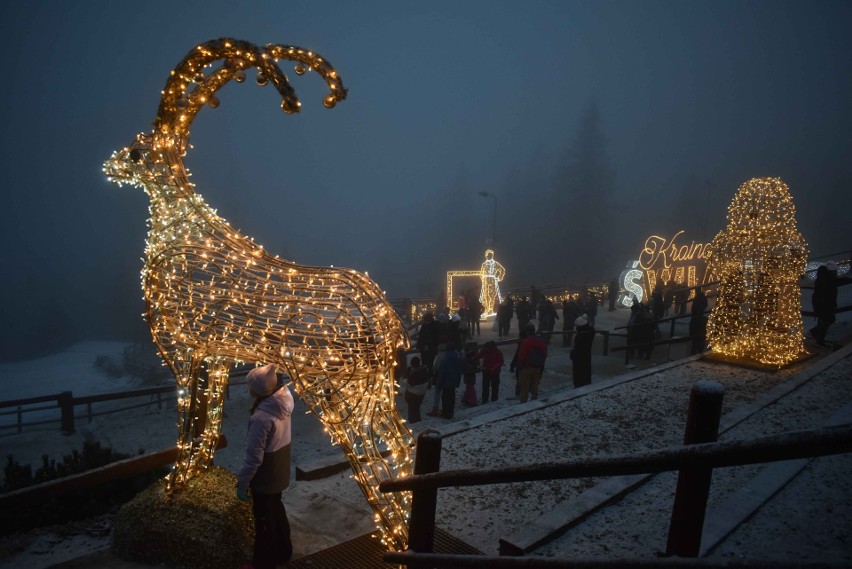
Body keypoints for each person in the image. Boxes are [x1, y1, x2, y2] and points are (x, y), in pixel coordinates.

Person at [236, 364, 294, 569]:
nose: (248, 390)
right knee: (276, 508)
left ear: (258, 390)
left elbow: (254, 458)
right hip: (280, 468)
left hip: (266, 475)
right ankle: (284, 550)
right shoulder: (282, 401)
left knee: (263, 521)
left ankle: (263, 562)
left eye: (250, 386)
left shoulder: (262, 418)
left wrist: (242, 484)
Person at [810, 263, 850, 346]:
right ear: (831, 271)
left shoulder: (826, 278)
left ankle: (817, 335)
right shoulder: (826, 279)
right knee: (828, 320)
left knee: (825, 320)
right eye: (835, 271)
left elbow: (835, 283)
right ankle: (817, 337)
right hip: (823, 304)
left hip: (823, 303)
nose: (836, 273)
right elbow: (832, 285)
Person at [516, 323, 547, 403]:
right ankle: (534, 401)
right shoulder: (541, 340)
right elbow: (544, 354)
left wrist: (519, 366)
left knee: (525, 386)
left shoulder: (526, 342)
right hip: (537, 366)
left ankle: (523, 402)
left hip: (527, 367)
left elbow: (522, 355)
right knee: (535, 385)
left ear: (527, 332)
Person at [433, 337, 462, 419]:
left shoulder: (445, 358)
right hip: (453, 380)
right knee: (452, 396)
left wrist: (439, 382)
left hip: (446, 381)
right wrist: (458, 380)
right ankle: (450, 411)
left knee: (445, 397)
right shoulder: (456, 357)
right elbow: (458, 370)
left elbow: (442, 371)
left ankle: (445, 412)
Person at [571, 315, 595, 388]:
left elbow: (578, 348)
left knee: (580, 373)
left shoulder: (582, 335)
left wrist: (573, 354)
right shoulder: (589, 332)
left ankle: (580, 385)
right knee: (585, 371)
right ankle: (585, 383)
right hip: (585, 357)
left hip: (580, 359)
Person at [403, 357, 430, 423]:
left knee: (411, 406)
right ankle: (417, 418)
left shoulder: (413, 373)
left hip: (413, 392)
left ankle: (412, 419)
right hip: (422, 392)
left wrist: (405, 380)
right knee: (417, 406)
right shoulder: (424, 370)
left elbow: (408, 384)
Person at [689, 288, 708, 355]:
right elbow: (706, 305)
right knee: (700, 338)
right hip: (700, 317)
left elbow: (694, 307)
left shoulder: (696, 298)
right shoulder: (704, 297)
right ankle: (700, 351)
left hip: (695, 318)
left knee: (695, 340)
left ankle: (694, 352)